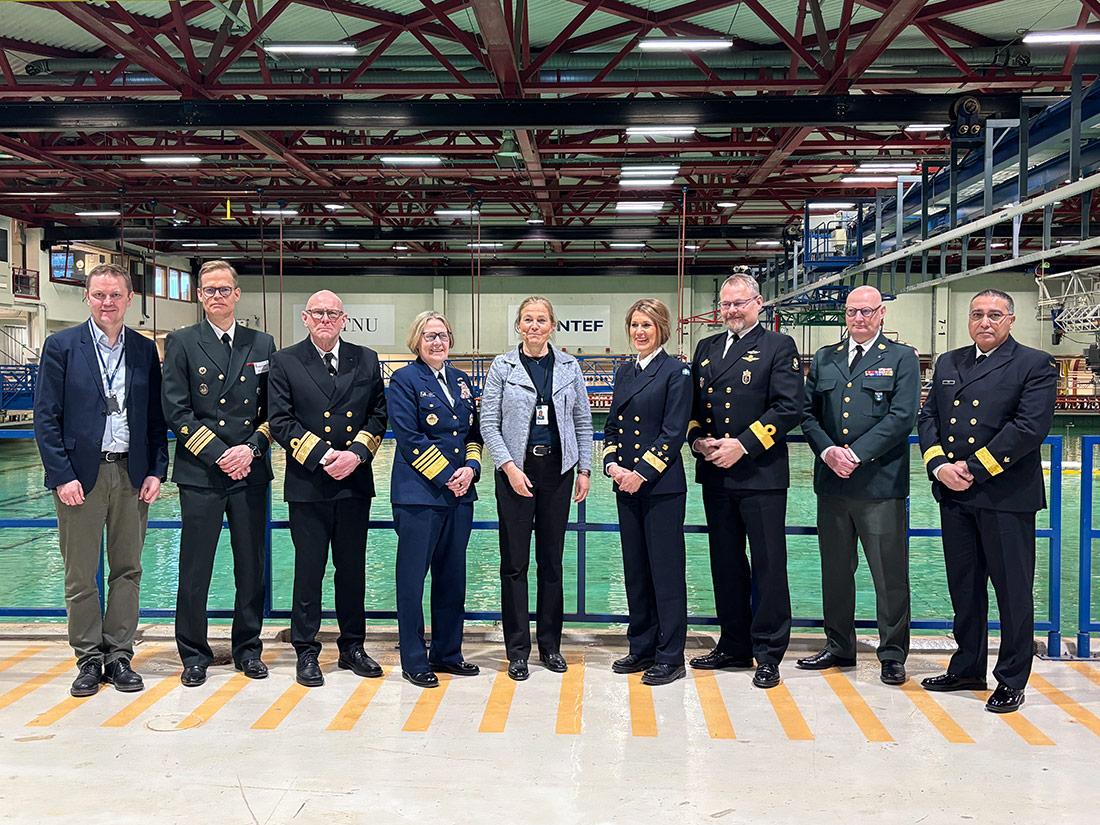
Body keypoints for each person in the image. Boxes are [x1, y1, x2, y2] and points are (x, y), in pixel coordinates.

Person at [918, 288, 1056, 713]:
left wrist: (972, 469)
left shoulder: (1034, 363)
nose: (985, 322)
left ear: (1011, 320)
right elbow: (929, 416)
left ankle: (1012, 678)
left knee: (1012, 592)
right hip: (954, 494)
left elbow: (1029, 428)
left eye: (995, 315)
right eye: (977, 314)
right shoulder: (949, 362)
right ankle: (967, 667)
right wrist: (938, 465)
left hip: (1005, 496)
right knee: (965, 587)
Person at [34, 263, 169, 698]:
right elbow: (45, 418)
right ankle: (89, 657)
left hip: (131, 474)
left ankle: (120, 655)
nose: (107, 303)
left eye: (115, 295)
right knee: (80, 574)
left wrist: (156, 469)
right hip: (81, 478)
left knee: (128, 569)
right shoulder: (61, 346)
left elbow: (155, 418)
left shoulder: (144, 349)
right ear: (87, 298)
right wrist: (62, 476)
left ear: (129, 299)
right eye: (99, 295)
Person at [161, 260, 277, 688]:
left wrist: (251, 449)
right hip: (202, 473)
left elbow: (273, 411)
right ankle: (194, 654)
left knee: (251, 566)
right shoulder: (182, 341)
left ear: (237, 294)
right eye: (209, 289)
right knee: (195, 568)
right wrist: (220, 454)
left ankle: (248, 648)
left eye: (224, 289)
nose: (217, 296)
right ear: (199, 295)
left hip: (249, 471)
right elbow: (176, 410)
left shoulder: (261, 343)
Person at [797, 286, 920, 686]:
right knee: (835, 573)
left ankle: (892, 654)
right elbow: (807, 413)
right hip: (832, 485)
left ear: (882, 314)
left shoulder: (901, 358)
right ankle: (839, 646)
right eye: (852, 311)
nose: (859, 318)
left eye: (867, 311)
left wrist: (856, 454)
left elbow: (903, 416)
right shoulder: (825, 358)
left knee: (889, 575)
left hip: (880, 485)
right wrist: (827, 452)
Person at [686, 271, 803, 689]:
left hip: (760, 474)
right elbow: (693, 407)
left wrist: (743, 444)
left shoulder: (778, 346)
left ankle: (768, 653)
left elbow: (789, 407)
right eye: (726, 304)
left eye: (739, 303)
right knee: (726, 563)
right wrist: (697, 442)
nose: (732, 310)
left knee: (768, 565)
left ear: (758, 304)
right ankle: (734, 644)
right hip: (716, 474)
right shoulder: (706, 347)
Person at [267, 290, 388, 688]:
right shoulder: (285, 360)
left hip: (354, 480)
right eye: (318, 312)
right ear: (305, 318)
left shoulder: (366, 358)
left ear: (343, 319)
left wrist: (356, 454)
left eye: (332, 313)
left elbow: (378, 414)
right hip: (309, 482)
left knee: (352, 570)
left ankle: (353, 647)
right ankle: (306, 650)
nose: (325, 319)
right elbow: (280, 420)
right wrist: (323, 455)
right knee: (309, 570)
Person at [481, 296, 594, 681]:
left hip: (558, 473)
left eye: (541, 320)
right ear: (518, 325)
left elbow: (583, 421)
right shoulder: (502, 366)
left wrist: (584, 469)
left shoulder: (569, 367)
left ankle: (550, 646)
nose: (534, 326)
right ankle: (517, 650)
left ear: (552, 326)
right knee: (514, 564)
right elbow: (488, 423)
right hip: (516, 473)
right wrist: (509, 467)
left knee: (551, 563)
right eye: (527, 319)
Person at [389, 311, 484, 688]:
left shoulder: (461, 379)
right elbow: (409, 437)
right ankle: (414, 659)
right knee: (412, 580)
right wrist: (448, 475)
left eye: (443, 335)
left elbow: (472, 433)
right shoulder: (404, 379)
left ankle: (447, 652)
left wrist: (471, 469)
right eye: (429, 336)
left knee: (452, 577)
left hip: (460, 495)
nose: (437, 342)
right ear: (416, 341)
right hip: (420, 495)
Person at [604, 299, 692, 686]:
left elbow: (673, 432)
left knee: (666, 572)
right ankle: (641, 646)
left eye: (647, 325)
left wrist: (640, 473)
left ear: (662, 329)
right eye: (635, 325)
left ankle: (670, 655)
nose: (639, 332)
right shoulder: (624, 372)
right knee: (636, 571)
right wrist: (612, 465)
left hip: (660, 488)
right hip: (626, 484)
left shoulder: (676, 372)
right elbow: (611, 427)